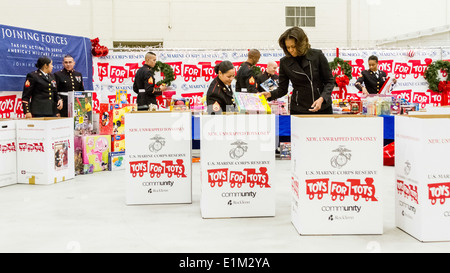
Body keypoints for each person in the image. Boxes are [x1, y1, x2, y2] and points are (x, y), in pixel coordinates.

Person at [260, 27, 334, 114]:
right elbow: (283, 89)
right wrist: (270, 94)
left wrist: (322, 98)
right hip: (299, 109)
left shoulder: (317, 55)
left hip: (323, 108)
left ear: (301, 44)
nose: (290, 50)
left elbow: (329, 81)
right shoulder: (285, 62)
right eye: (288, 47)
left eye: (293, 46)